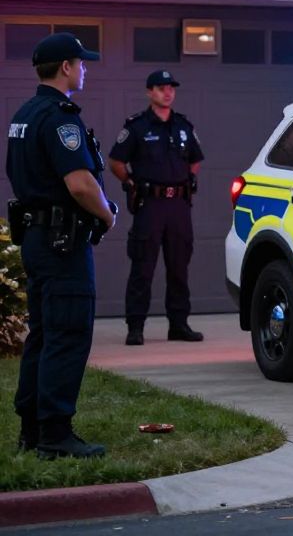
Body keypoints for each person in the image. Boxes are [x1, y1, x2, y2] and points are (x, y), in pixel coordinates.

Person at [6, 32, 117, 458]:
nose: (85, 68)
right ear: (66, 67)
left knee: (44, 333)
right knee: (68, 333)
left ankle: (32, 429)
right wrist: (107, 213)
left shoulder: (24, 114)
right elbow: (79, 184)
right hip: (62, 243)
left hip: (37, 239)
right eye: (81, 62)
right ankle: (55, 433)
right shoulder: (60, 118)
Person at [109, 70, 205, 346]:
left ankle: (179, 325)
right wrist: (130, 183)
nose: (168, 92)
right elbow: (116, 161)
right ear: (149, 92)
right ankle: (135, 327)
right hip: (150, 205)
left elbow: (196, 159)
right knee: (143, 268)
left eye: (171, 88)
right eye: (161, 88)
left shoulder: (184, 126)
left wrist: (185, 180)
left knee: (179, 267)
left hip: (178, 206)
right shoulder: (137, 127)